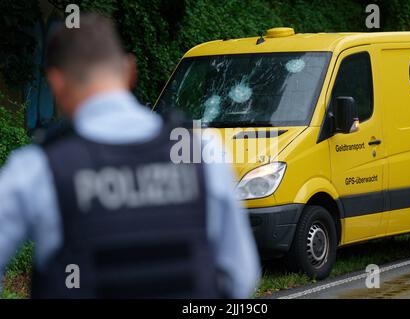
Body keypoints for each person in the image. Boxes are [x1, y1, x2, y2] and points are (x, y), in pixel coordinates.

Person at [0, 13, 260, 298]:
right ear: (130, 71)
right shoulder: (200, 150)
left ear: (56, 83)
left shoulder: (37, 168)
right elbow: (241, 276)